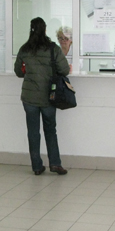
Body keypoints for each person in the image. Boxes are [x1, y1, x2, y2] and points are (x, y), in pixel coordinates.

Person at [14, 17, 70, 176]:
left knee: (33, 132)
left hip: (29, 98)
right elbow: (65, 70)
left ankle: (37, 166)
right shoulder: (53, 49)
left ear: (30, 30)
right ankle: (55, 164)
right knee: (50, 130)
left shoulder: (24, 49)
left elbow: (18, 72)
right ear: (45, 30)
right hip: (48, 97)